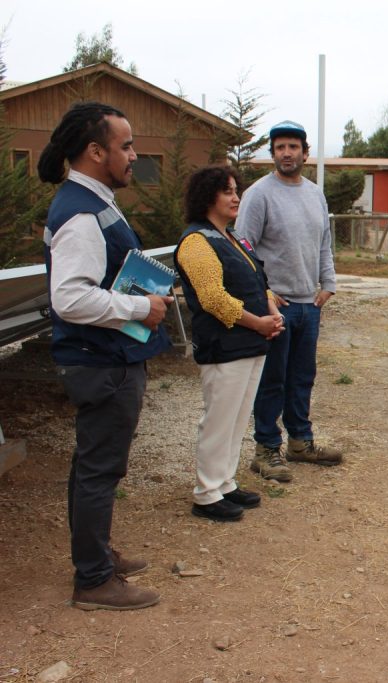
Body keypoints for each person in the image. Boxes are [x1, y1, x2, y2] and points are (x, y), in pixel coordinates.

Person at [39, 101, 172, 610]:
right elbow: (69, 297)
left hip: (107, 356)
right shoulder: (80, 213)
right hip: (101, 362)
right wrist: (143, 305)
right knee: (99, 470)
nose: (134, 155)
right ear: (96, 152)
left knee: (90, 466)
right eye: (126, 146)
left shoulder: (90, 201)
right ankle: (93, 580)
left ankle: (96, 557)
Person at [174, 166, 284, 521]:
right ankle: (206, 493)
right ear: (208, 197)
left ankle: (225, 482)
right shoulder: (196, 242)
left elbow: (256, 279)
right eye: (227, 191)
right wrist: (258, 322)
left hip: (251, 344)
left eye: (236, 190)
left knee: (238, 418)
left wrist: (270, 308)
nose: (236, 197)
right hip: (224, 346)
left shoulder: (232, 237)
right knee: (219, 419)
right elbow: (213, 299)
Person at [234, 120, 342, 482]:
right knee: (272, 380)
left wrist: (328, 283)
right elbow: (242, 249)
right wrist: (261, 293)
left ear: (305, 153)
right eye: (279, 147)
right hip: (275, 306)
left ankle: (300, 442)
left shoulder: (314, 194)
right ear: (272, 153)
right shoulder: (259, 195)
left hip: (308, 306)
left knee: (302, 377)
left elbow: (324, 242)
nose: (286, 153)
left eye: (293, 147)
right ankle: (265, 450)